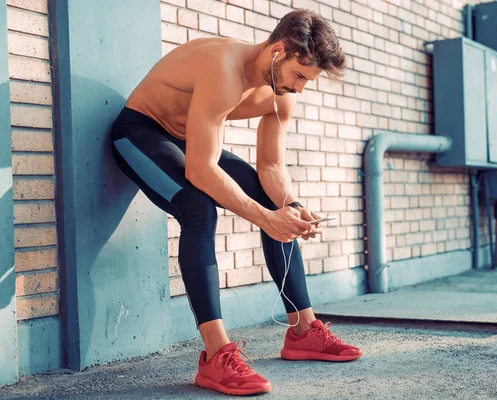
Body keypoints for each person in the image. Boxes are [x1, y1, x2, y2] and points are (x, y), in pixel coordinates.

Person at [110, 8, 362, 396]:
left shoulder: (281, 96)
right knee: (198, 207)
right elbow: (200, 170)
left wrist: (290, 207)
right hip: (140, 131)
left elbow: (272, 167)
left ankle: (303, 331)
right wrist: (265, 218)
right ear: (278, 51)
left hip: (187, 142)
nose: (299, 88)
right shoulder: (222, 68)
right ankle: (216, 355)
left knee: (276, 206)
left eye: (308, 81)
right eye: (299, 75)